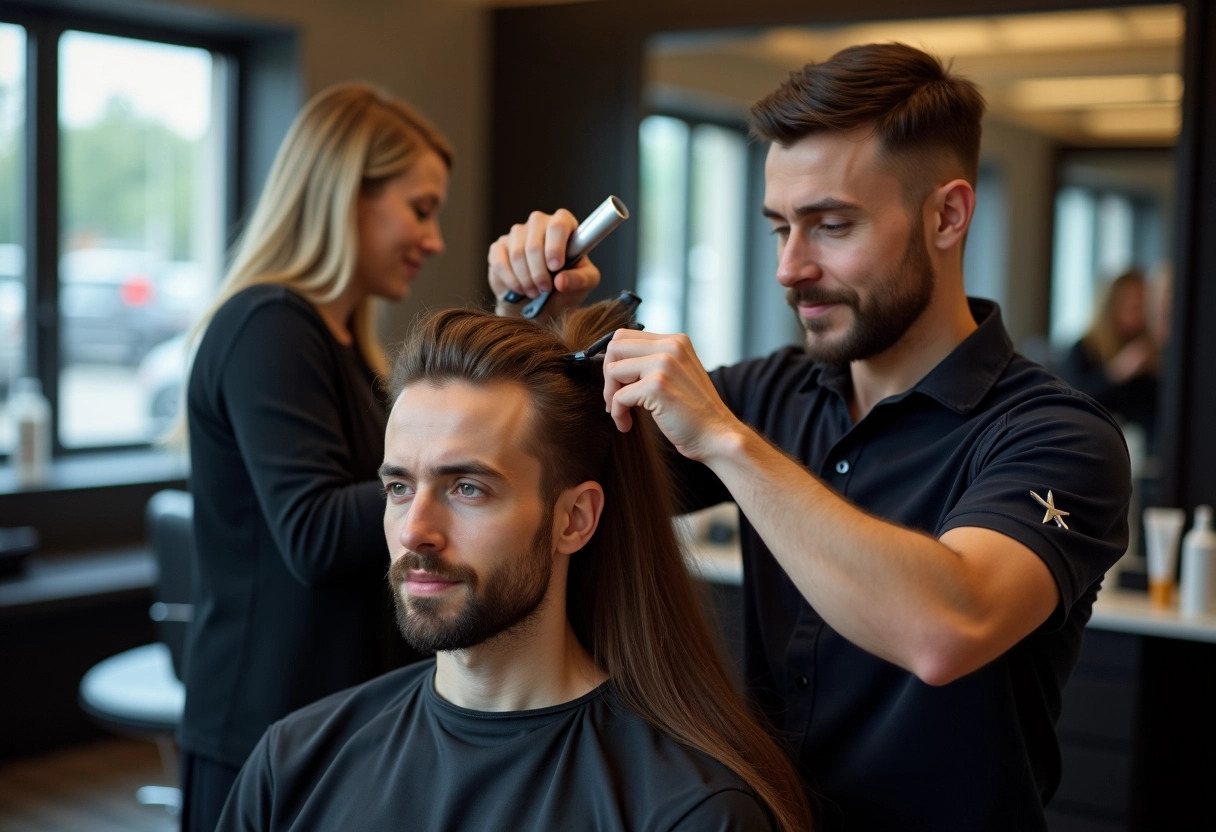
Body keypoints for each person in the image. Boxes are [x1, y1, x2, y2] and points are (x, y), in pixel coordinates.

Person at [488, 43, 1132, 831]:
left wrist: (726, 441)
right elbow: (547, 478)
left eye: (830, 226)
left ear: (948, 215)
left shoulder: (1057, 436)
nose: (791, 268)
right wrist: (531, 325)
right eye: (779, 229)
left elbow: (947, 628)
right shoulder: (771, 392)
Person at [214, 301, 814, 832]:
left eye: (467, 488)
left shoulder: (691, 811)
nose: (415, 530)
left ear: (574, 518)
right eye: (399, 487)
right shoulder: (293, 764)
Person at [179, 82, 454, 831]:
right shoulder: (269, 325)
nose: (434, 240)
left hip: (330, 722)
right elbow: (315, 533)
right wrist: (456, 472)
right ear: (344, 195)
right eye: (421, 209)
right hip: (266, 732)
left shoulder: (341, 348)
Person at [1056, 268, 1159, 438]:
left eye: (1141, 305)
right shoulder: (1084, 349)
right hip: (1090, 441)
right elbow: (1071, 401)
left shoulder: (1150, 350)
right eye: (1129, 304)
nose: (1137, 313)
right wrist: (1117, 372)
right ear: (1110, 305)